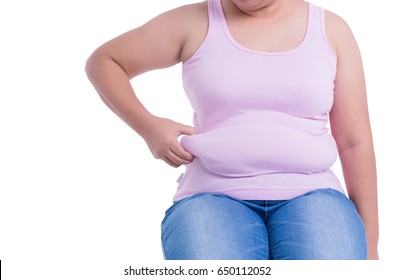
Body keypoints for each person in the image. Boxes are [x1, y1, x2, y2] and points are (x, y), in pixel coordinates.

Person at [85, 0, 379, 260]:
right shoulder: (194, 22)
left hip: (314, 194)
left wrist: (372, 245)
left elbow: (355, 143)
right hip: (211, 196)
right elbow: (105, 60)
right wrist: (148, 126)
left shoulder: (332, 30)